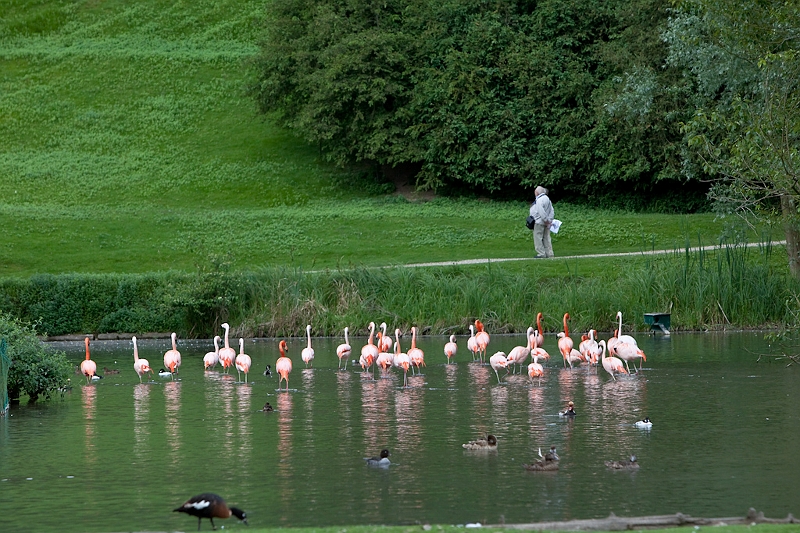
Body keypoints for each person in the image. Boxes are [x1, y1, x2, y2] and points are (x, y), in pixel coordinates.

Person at [529, 186, 554, 258]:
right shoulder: (547, 199)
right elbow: (551, 211)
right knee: (546, 237)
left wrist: (546, 220)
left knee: (538, 237)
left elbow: (541, 211)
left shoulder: (539, 200)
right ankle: (549, 253)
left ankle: (541, 253)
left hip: (539, 222)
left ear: (537, 192)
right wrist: (549, 220)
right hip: (546, 222)